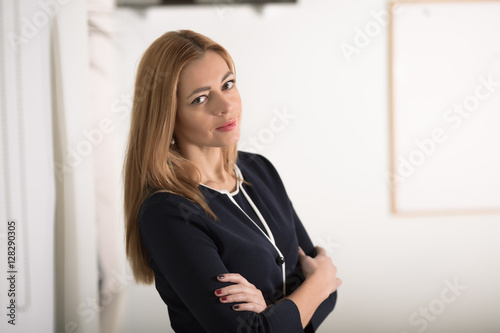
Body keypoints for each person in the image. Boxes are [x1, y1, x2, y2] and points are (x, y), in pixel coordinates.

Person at [123, 30, 341, 333]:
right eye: (200, 98)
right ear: (168, 116)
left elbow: (329, 296)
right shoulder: (168, 211)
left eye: (228, 84)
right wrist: (314, 287)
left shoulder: (259, 170)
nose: (225, 105)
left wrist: (271, 314)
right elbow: (318, 285)